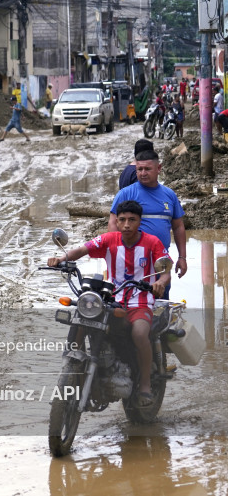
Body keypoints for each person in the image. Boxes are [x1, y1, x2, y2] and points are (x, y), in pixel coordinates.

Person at [47, 200, 171, 408]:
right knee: (81, 317)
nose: (126, 224)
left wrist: (160, 282)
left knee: (140, 333)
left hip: (140, 302)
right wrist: (61, 259)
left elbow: (165, 269)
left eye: (132, 220)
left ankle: (145, 384)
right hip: (113, 300)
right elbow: (82, 249)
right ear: (116, 221)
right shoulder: (109, 239)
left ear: (140, 221)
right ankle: (71, 369)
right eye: (122, 220)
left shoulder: (152, 242)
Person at [109, 149, 186, 298]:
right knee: (128, 306)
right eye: (139, 169)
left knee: (160, 306)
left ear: (159, 169)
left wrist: (182, 258)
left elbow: (178, 227)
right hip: (132, 263)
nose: (143, 173)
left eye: (147, 169)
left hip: (160, 263)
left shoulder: (169, 195)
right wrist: (117, 254)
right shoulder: (126, 194)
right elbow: (113, 223)